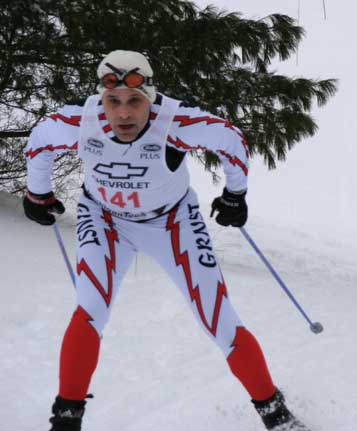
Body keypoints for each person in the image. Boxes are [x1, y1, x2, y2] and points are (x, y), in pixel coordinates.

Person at [23, 50, 308, 431]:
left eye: (135, 101)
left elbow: (230, 139)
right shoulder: (79, 119)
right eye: (113, 101)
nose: (123, 113)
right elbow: (39, 141)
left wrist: (235, 194)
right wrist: (36, 194)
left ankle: (276, 415)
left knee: (218, 319)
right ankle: (66, 418)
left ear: (151, 96)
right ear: (101, 97)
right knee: (89, 310)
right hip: (105, 220)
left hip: (172, 222)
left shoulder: (176, 120)